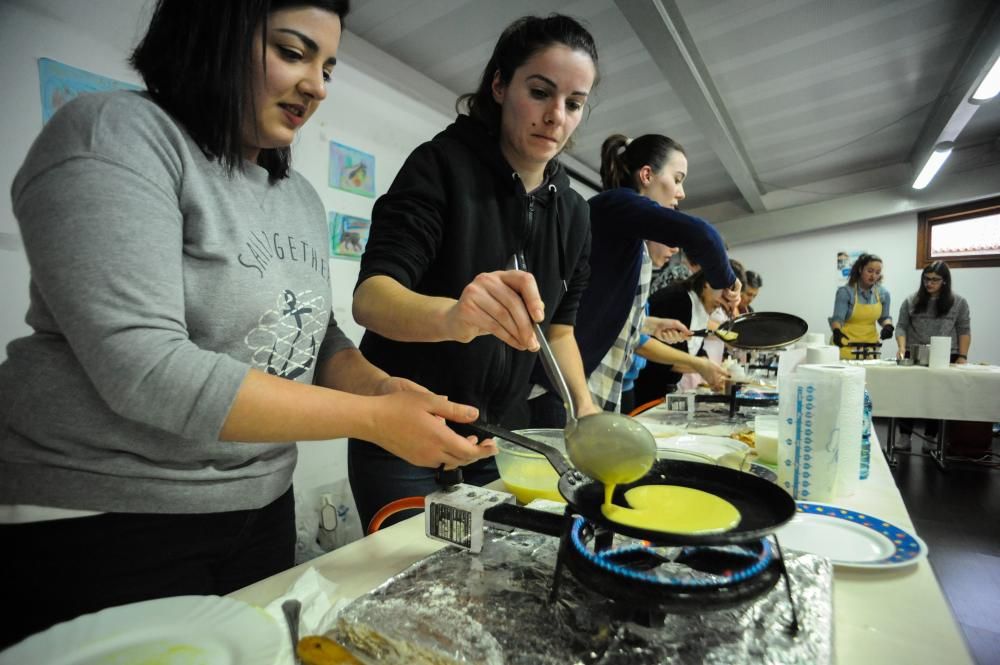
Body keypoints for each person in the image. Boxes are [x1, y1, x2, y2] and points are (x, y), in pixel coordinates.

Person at [0, 0, 494, 648]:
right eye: (293, 52)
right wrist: (372, 421)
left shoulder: (296, 197)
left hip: (258, 506)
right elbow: (145, 369)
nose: (318, 84)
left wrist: (382, 390)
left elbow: (316, 338)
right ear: (213, 34)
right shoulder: (113, 134)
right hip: (104, 515)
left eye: (328, 66)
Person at [349, 14, 602, 531]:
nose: (556, 116)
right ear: (500, 85)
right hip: (404, 433)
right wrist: (454, 317)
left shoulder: (574, 214)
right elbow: (372, 298)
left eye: (573, 104)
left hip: (499, 442)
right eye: (539, 91)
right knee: (408, 589)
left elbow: (559, 329)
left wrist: (586, 407)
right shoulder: (440, 166)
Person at [528, 132, 738, 425]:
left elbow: (598, 304)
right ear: (647, 175)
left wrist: (648, 323)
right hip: (557, 383)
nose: (682, 193)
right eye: (677, 179)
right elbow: (702, 235)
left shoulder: (627, 230)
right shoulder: (615, 205)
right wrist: (727, 282)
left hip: (574, 381)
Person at [893, 261, 972, 450]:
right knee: (908, 396)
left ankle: (931, 436)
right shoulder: (911, 300)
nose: (930, 283)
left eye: (935, 280)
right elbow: (901, 325)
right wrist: (902, 348)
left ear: (945, 281)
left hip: (946, 354)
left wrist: (963, 355)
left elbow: (964, 330)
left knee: (938, 396)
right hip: (914, 352)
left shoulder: (958, 302)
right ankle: (904, 436)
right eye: (926, 279)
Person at [633, 266, 738, 406]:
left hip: (662, 392)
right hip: (643, 391)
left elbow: (696, 350)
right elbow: (661, 358)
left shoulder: (699, 306)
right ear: (707, 282)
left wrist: (713, 370)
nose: (724, 301)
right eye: (723, 292)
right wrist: (702, 366)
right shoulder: (678, 299)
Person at [829, 253, 893, 360]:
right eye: (869, 271)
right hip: (846, 347)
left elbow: (884, 317)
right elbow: (838, 319)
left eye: (877, 273)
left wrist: (888, 326)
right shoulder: (846, 292)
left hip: (870, 348)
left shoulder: (883, 294)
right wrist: (836, 332)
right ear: (860, 269)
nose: (873, 276)